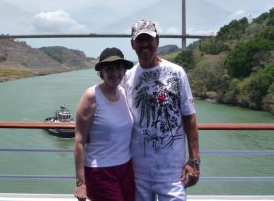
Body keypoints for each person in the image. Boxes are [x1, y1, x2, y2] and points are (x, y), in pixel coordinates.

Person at [122, 19, 200, 201]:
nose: (144, 44)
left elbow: (190, 118)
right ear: (132, 44)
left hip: (172, 174)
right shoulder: (127, 77)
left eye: (148, 39)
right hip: (138, 173)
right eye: (139, 40)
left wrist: (194, 161)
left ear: (157, 40)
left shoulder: (176, 72)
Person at [74, 47, 135, 201]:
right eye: (109, 69)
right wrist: (81, 182)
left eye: (118, 68)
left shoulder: (123, 92)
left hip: (127, 168)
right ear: (101, 72)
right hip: (100, 171)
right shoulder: (92, 96)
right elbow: (79, 140)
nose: (115, 73)